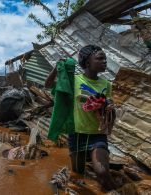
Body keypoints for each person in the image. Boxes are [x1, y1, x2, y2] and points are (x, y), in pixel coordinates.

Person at [45, 45, 116, 191]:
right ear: (88, 62)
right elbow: (48, 84)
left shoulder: (107, 84)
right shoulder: (74, 80)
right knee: (78, 173)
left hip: (98, 135)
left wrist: (108, 105)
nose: (104, 61)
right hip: (76, 134)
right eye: (100, 58)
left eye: (105, 59)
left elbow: (108, 108)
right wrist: (56, 68)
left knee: (102, 173)